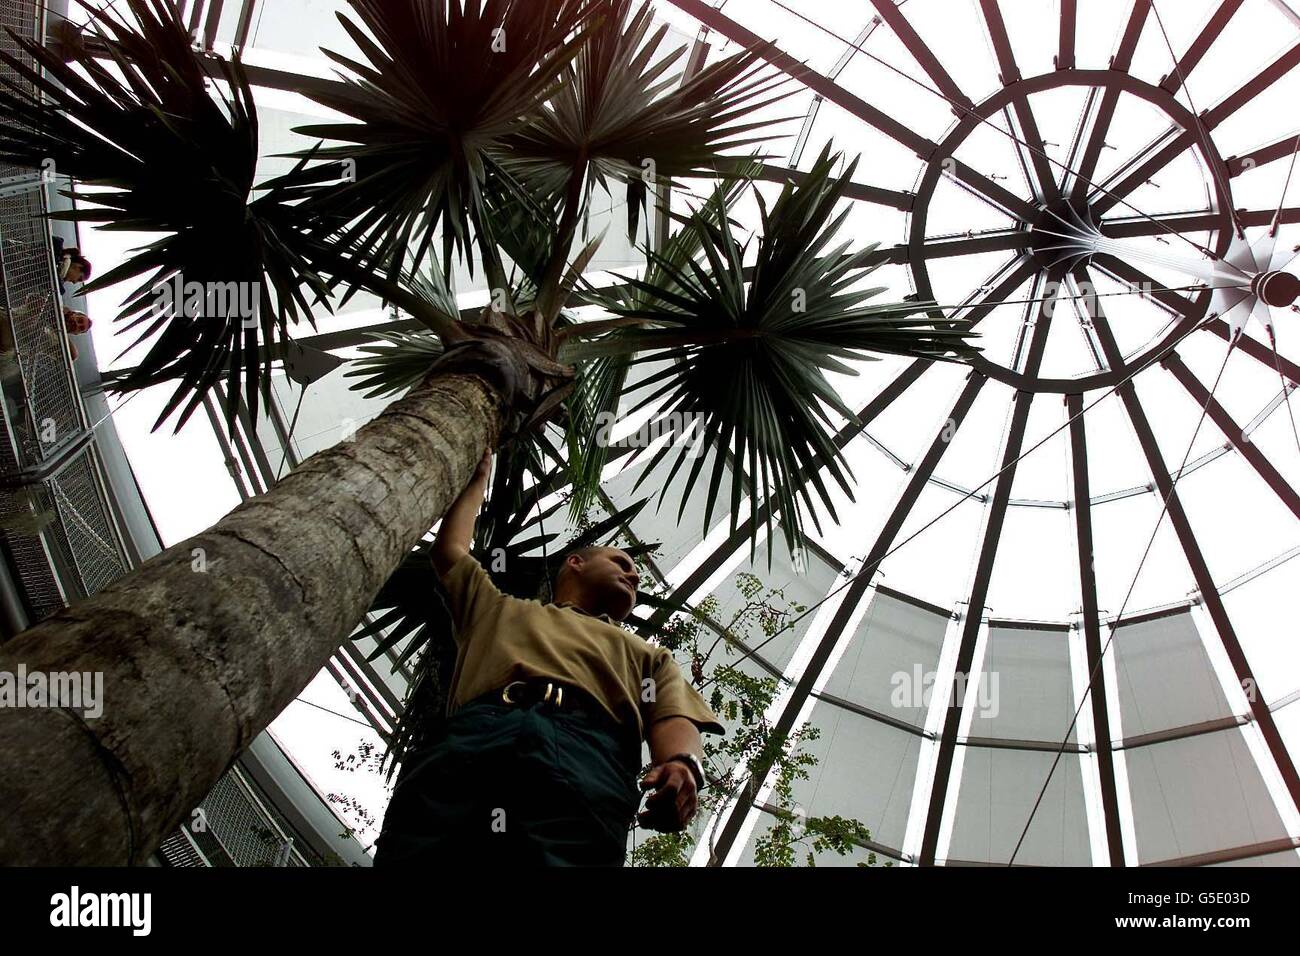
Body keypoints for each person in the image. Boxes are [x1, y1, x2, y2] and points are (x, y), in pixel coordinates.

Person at [373, 450, 724, 867]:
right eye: (622, 563)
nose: (634, 576)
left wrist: (682, 764)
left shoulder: (648, 655)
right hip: (476, 733)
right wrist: (476, 480)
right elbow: (450, 553)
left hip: (589, 753)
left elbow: (670, 717)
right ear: (575, 562)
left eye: (636, 574)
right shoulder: (497, 608)